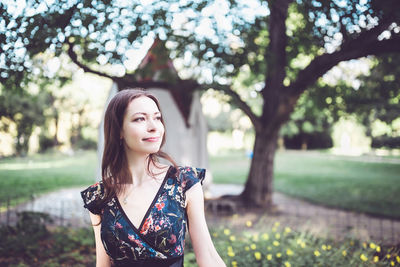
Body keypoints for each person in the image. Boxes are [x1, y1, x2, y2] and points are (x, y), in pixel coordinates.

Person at [81, 89, 226, 267]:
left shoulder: (183, 183)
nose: (154, 127)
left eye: (157, 118)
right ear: (119, 130)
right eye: (140, 119)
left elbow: (209, 258)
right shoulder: (99, 196)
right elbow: (103, 265)